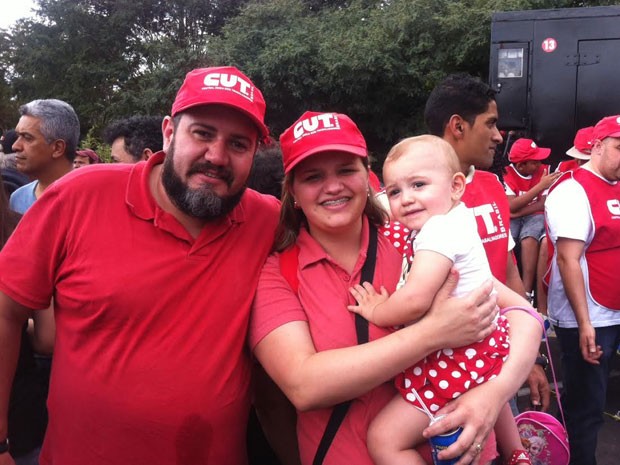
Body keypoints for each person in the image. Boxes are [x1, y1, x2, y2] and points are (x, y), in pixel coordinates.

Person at [0, 66, 280, 465]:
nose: (216, 156)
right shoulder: (79, 197)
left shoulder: (267, 221)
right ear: (169, 132)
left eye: (238, 143)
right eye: (202, 133)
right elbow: (6, 311)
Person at [249, 110, 542, 465]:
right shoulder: (278, 272)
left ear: (365, 177)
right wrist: (433, 333)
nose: (333, 186)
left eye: (346, 170)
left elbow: (522, 315)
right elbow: (305, 386)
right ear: (293, 192)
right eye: (313, 177)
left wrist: (494, 394)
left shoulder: (416, 239)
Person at [347, 135, 532, 465]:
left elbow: (416, 299)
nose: (405, 199)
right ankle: (516, 453)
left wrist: (377, 309)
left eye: (419, 184)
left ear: (457, 186)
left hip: (457, 358)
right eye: (394, 191)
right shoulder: (454, 219)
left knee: (384, 439)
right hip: (484, 349)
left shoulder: (438, 231)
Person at [424, 74, 551, 413]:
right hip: (444, 374)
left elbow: (508, 269)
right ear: (458, 126)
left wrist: (531, 357)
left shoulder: (492, 185)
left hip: (500, 358)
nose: (499, 136)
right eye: (491, 124)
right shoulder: (407, 200)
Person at [544, 114, 620, 465]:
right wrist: (585, 323)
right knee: (586, 408)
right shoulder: (572, 190)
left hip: (614, 308)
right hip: (591, 317)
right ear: (598, 146)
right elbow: (567, 260)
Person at [503, 138, 561, 301]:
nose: (539, 163)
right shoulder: (507, 173)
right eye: (534, 161)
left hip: (535, 216)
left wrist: (515, 212)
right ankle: (507, 285)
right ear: (521, 165)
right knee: (509, 236)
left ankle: (527, 291)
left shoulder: (544, 171)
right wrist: (539, 187)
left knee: (529, 237)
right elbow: (510, 206)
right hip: (518, 217)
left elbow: (543, 204)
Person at [9, 99, 80, 214]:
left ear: (57, 148)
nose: (15, 146)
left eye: (27, 137)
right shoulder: (17, 199)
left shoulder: (90, 199)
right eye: (17, 136)